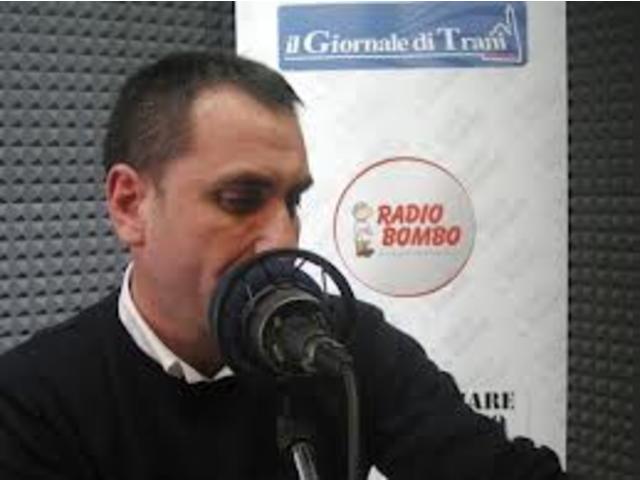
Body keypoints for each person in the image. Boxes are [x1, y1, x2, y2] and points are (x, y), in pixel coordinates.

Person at [0, 51, 565, 479]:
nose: (282, 239)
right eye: (240, 200)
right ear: (130, 207)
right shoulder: (34, 401)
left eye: (293, 201)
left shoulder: (343, 345)